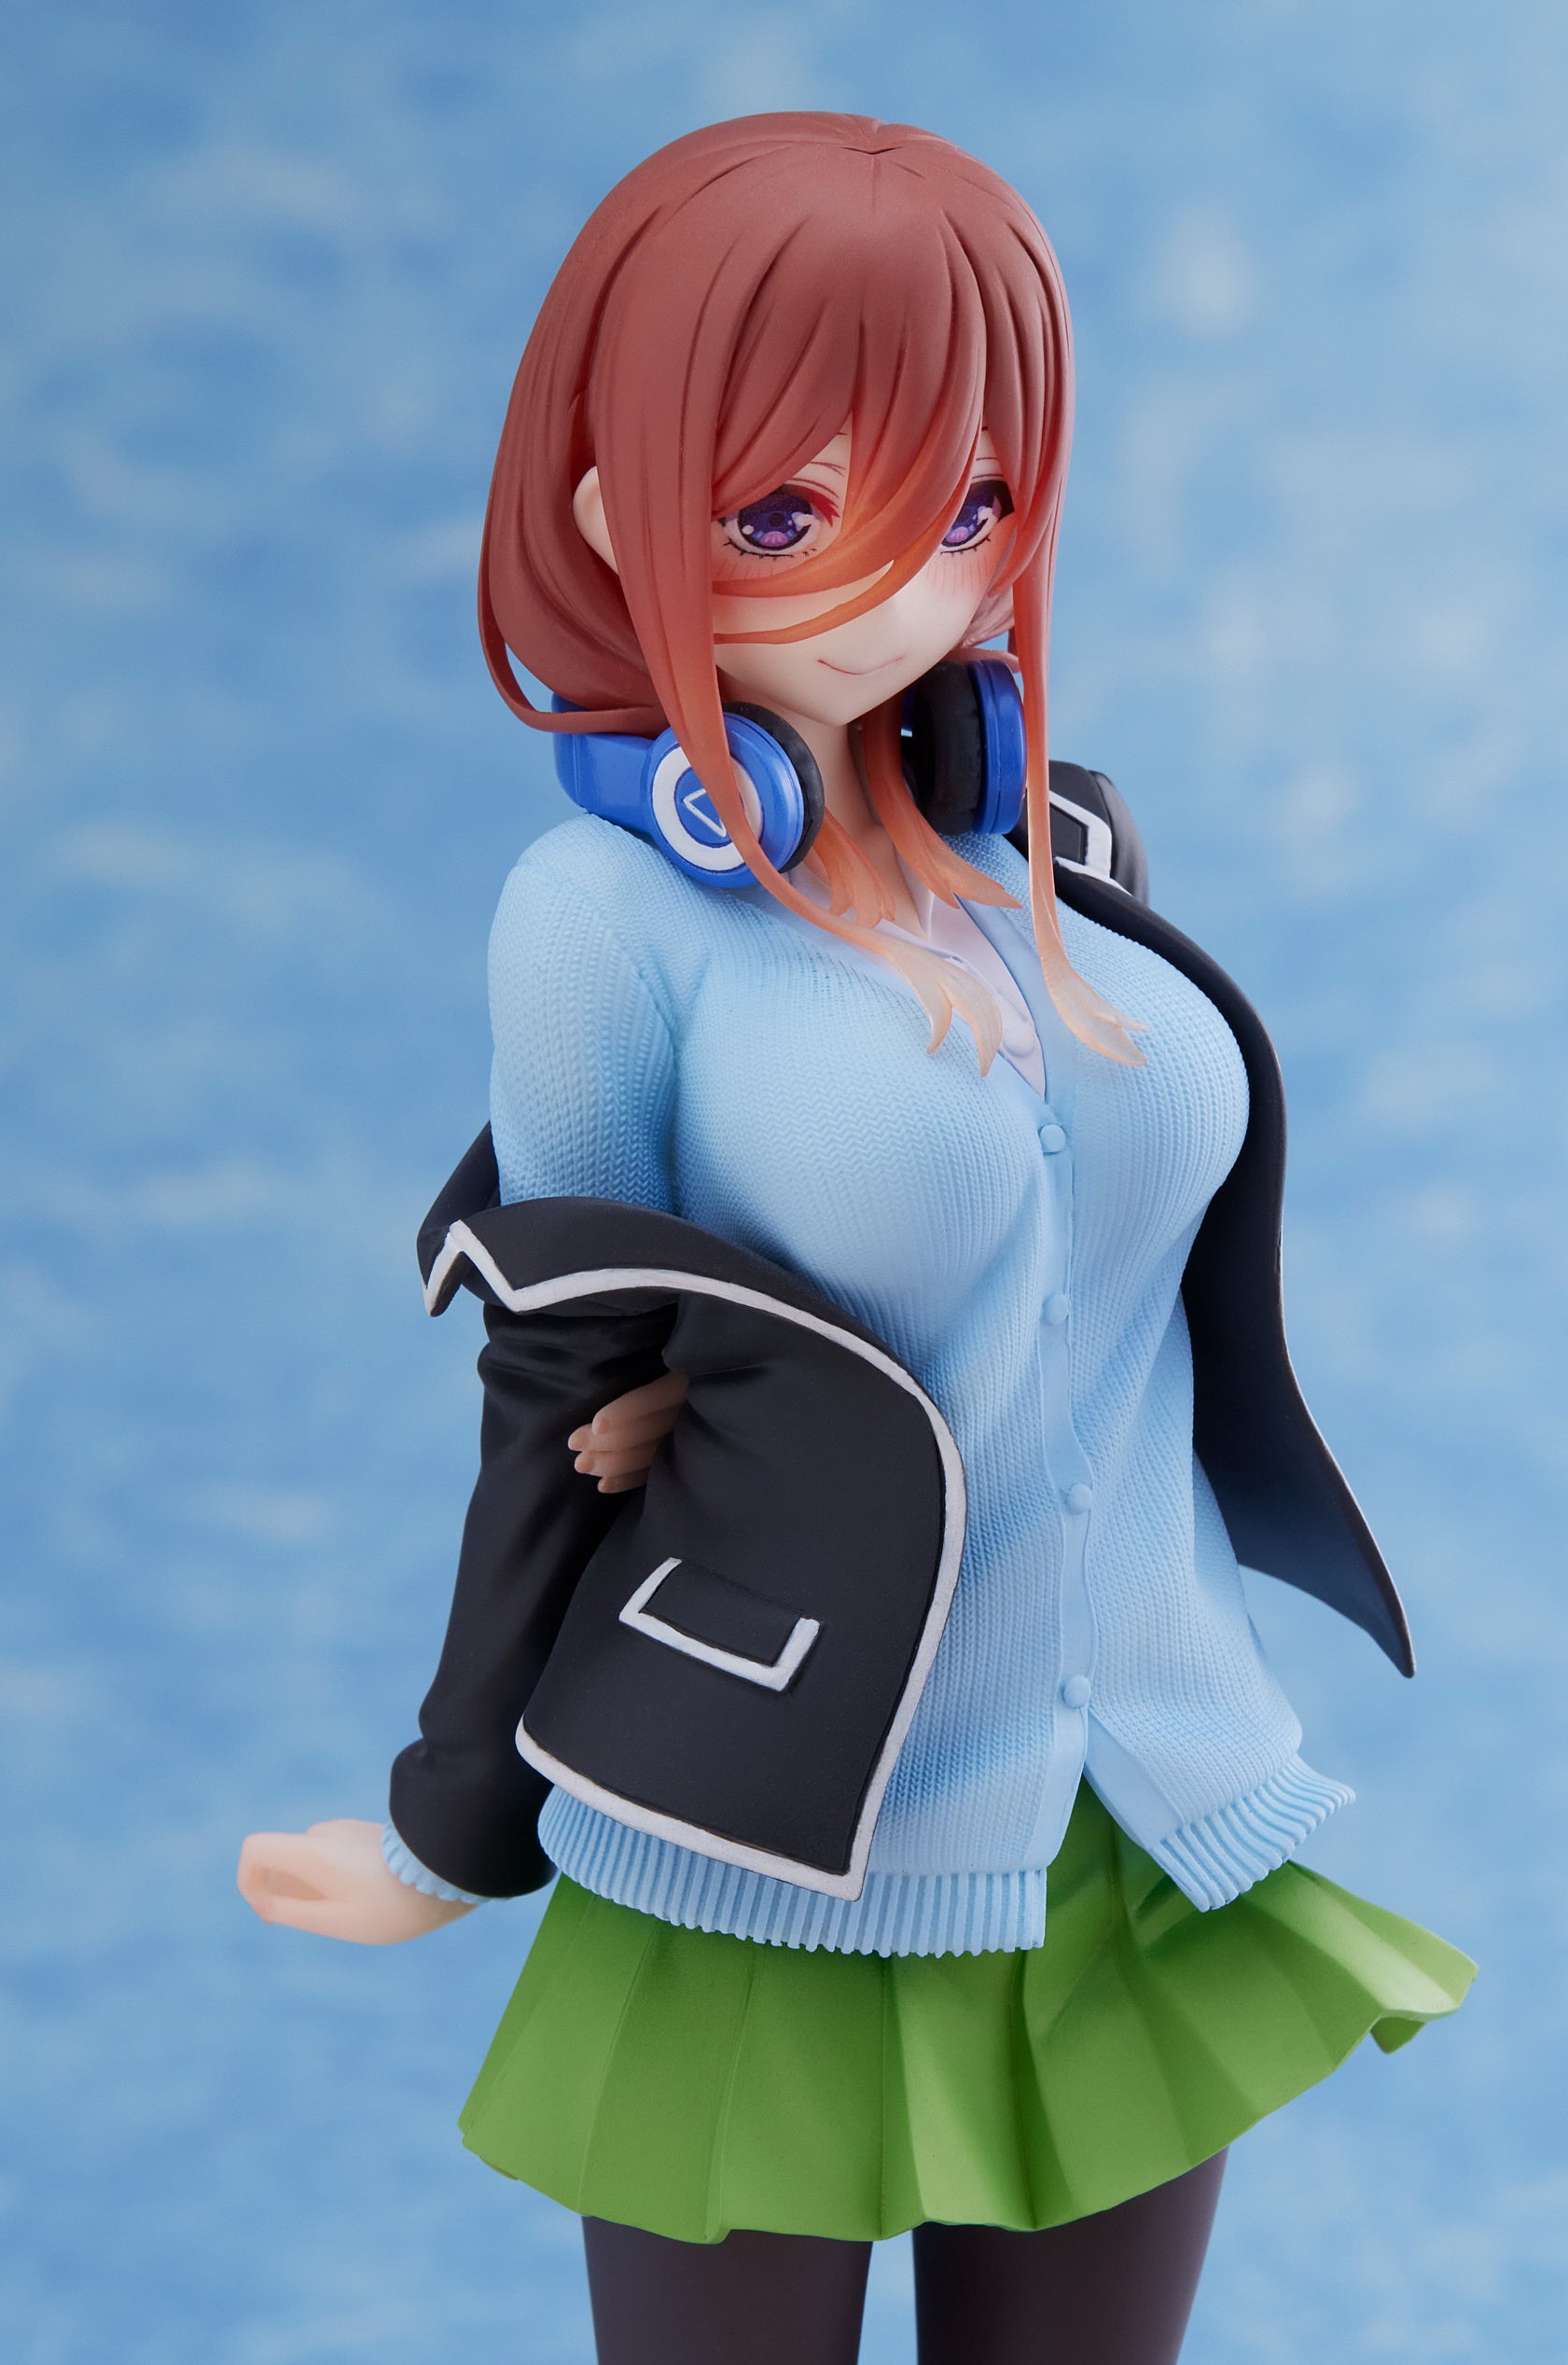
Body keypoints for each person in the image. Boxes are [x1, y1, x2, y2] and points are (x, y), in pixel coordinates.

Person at [239, 114, 1474, 2365]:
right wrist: (448, 1816)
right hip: (770, 1829)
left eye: (973, 500)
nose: (914, 578)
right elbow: (555, 1376)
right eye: (790, 514)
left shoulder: (1059, 853)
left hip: (1136, 1801)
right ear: (613, 514)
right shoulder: (604, 917)